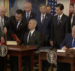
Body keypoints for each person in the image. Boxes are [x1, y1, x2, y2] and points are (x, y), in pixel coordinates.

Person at [0, 6, 8, 71]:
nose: (3, 13)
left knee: (4, 57)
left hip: (5, 41)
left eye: (4, 12)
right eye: (2, 11)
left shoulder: (7, 19)